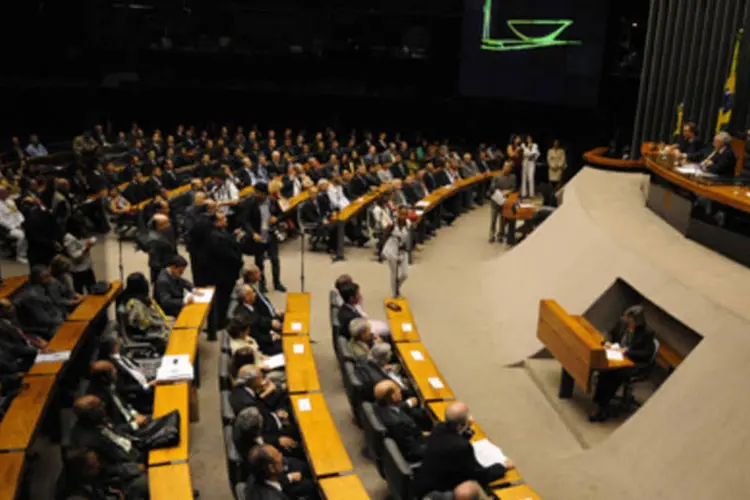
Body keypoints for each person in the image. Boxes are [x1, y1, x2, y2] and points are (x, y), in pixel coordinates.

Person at [414, 401, 512, 498]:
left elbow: (455, 436)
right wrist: (502, 466)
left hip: (424, 484)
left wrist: (466, 428)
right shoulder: (462, 447)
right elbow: (478, 476)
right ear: (465, 421)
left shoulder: (438, 428)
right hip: (439, 492)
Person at [70, 395, 148, 500]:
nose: (104, 405)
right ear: (91, 414)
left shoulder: (99, 418)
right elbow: (104, 470)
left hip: (134, 447)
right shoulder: (87, 442)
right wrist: (135, 468)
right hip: (125, 474)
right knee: (152, 479)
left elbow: (117, 431)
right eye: (99, 406)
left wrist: (134, 425)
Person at [589, 305, 656, 422]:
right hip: (617, 356)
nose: (628, 321)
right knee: (604, 371)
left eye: (631, 319)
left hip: (634, 364)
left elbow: (646, 353)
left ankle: (602, 407)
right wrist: (608, 342)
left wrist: (628, 351)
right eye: (627, 318)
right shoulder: (622, 324)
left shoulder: (647, 333)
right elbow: (610, 333)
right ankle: (600, 403)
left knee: (614, 374)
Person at [203, 212, 243, 339]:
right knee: (222, 299)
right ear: (216, 222)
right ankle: (219, 323)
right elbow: (227, 254)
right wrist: (238, 259)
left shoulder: (220, 233)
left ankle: (221, 320)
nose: (226, 219)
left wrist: (232, 237)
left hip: (225, 272)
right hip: (222, 274)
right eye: (223, 218)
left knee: (224, 298)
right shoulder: (215, 237)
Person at [242, 183, 287, 293]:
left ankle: (277, 283)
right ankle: (262, 284)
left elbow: (282, 214)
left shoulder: (273, 201)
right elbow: (245, 221)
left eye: (258, 193)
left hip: (271, 234)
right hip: (259, 235)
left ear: (264, 194)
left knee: (275, 260)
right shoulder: (251, 203)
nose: (256, 195)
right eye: (255, 192)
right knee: (259, 261)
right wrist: (252, 233)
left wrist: (276, 218)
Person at [374, 380, 432, 462]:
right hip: (415, 450)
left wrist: (407, 404)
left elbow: (395, 409)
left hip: (412, 436)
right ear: (393, 397)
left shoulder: (379, 405)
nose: (400, 390)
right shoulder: (398, 423)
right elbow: (414, 450)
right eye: (397, 390)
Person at [87, 360, 150, 432]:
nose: (116, 371)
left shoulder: (109, 386)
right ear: (105, 377)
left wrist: (135, 414)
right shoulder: (99, 401)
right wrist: (136, 424)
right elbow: (111, 427)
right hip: (129, 430)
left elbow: (124, 405)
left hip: (134, 419)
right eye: (113, 370)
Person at [98, 336, 155, 408]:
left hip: (148, 380)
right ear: (116, 346)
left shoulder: (121, 356)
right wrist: (147, 385)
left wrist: (150, 378)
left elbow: (134, 368)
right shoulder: (112, 366)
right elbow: (123, 388)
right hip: (142, 393)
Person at [13, 265, 65, 339]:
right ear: (38, 279)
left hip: (51, 322)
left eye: (49, 275)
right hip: (41, 329)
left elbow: (55, 304)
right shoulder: (33, 296)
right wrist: (61, 319)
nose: (51, 279)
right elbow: (42, 319)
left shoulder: (45, 288)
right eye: (46, 276)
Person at [233, 285, 282, 355]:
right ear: (246, 297)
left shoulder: (251, 306)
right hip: (261, 346)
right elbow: (255, 335)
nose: (255, 294)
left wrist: (271, 332)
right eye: (252, 293)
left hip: (266, 334)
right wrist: (272, 337)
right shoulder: (244, 315)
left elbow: (260, 320)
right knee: (287, 348)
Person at [381, 205, 410, 297]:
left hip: (403, 250)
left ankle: (397, 287)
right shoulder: (392, 224)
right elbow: (384, 237)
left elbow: (409, 237)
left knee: (405, 274)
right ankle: (394, 294)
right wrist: (381, 253)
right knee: (394, 273)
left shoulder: (408, 224)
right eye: (401, 214)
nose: (403, 216)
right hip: (391, 249)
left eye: (405, 214)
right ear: (398, 214)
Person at [63, 223, 97, 293]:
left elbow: (85, 242)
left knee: (93, 289)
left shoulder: (78, 236)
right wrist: (85, 248)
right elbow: (74, 255)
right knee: (79, 291)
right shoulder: (69, 239)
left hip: (86, 267)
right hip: (78, 270)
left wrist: (90, 242)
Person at [488, 161, 517, 243]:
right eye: (505, 166)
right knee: (493, 219)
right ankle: (491, 234)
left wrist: (508, 191)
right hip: (496, 200)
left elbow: (514, 188)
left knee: (503, 219)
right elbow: (492, 188)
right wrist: (500, 192)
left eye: (508, 167)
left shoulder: (513, 177)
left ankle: (500, 234)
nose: (506, 168)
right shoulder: (496, 176)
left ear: (510, 169)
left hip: (505, 201)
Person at [146, 214, 177, 284]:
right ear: (160, 225)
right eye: (166, 223)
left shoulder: (160, 232)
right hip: (160, 267)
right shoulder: (155, 239)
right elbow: (155, 258)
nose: (169, 225)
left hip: (164, 263)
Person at [0, 186, 27, 263]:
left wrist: (22, 223)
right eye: (4, 192)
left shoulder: (10, 201)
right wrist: (14, 227)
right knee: (22, 236)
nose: (7, 193)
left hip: (19, 224)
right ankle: (20, 256)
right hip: (8, 228)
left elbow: (18, 213)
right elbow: (1, 221)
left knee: (31, 231)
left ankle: (27, 252)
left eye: (6, 192)